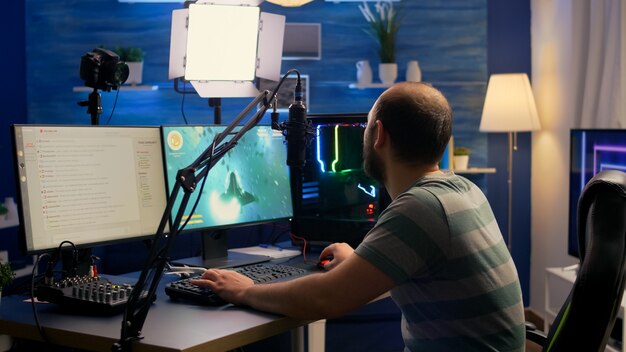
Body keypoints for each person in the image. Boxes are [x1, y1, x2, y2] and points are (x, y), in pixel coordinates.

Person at [192, 82, 526, 351]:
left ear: (378, 134)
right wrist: (357, 261)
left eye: (366, 127)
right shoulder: (462, 191)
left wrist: (244, 290)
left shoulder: (420, 208)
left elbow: (326, 298)